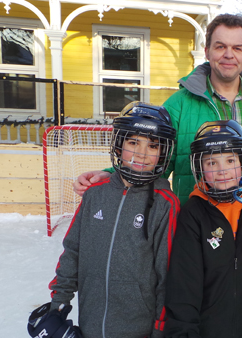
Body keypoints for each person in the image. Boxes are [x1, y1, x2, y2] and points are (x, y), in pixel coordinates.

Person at [72, 13, 242, 204]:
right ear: (207, 51)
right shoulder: (179, 104)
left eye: (237, 48)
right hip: (199, 226)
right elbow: (154, 158)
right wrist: (111, 173)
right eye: (220, 46)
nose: (228, 55)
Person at [27, 102, 180, 338]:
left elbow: (166, 273)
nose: (141, 153)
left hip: (138, 328)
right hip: (91, 322)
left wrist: (160, 328)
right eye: (133, 142)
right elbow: (73, 250)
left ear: (163, 153)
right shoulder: (96, 193)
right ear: (119, 146)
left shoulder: (165, 203)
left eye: (152, 145)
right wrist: (59, 302)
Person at [163, 120, 242, 338]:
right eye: (212, 163)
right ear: (200, 167)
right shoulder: (194, 212)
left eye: (230, 160)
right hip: (206, 328)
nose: (222, 171)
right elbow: (184, 282)